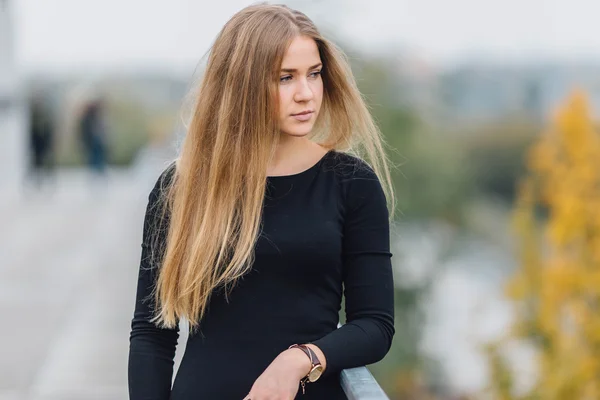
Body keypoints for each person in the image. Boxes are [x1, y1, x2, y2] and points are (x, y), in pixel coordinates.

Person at [128, 4, 396, 400]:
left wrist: (301, 358)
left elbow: (375, 324)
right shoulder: (181, 188)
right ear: (242, 85)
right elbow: (152, 333)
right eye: (285, 78)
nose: (306, 93)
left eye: (314, 74)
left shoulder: (352, 184)